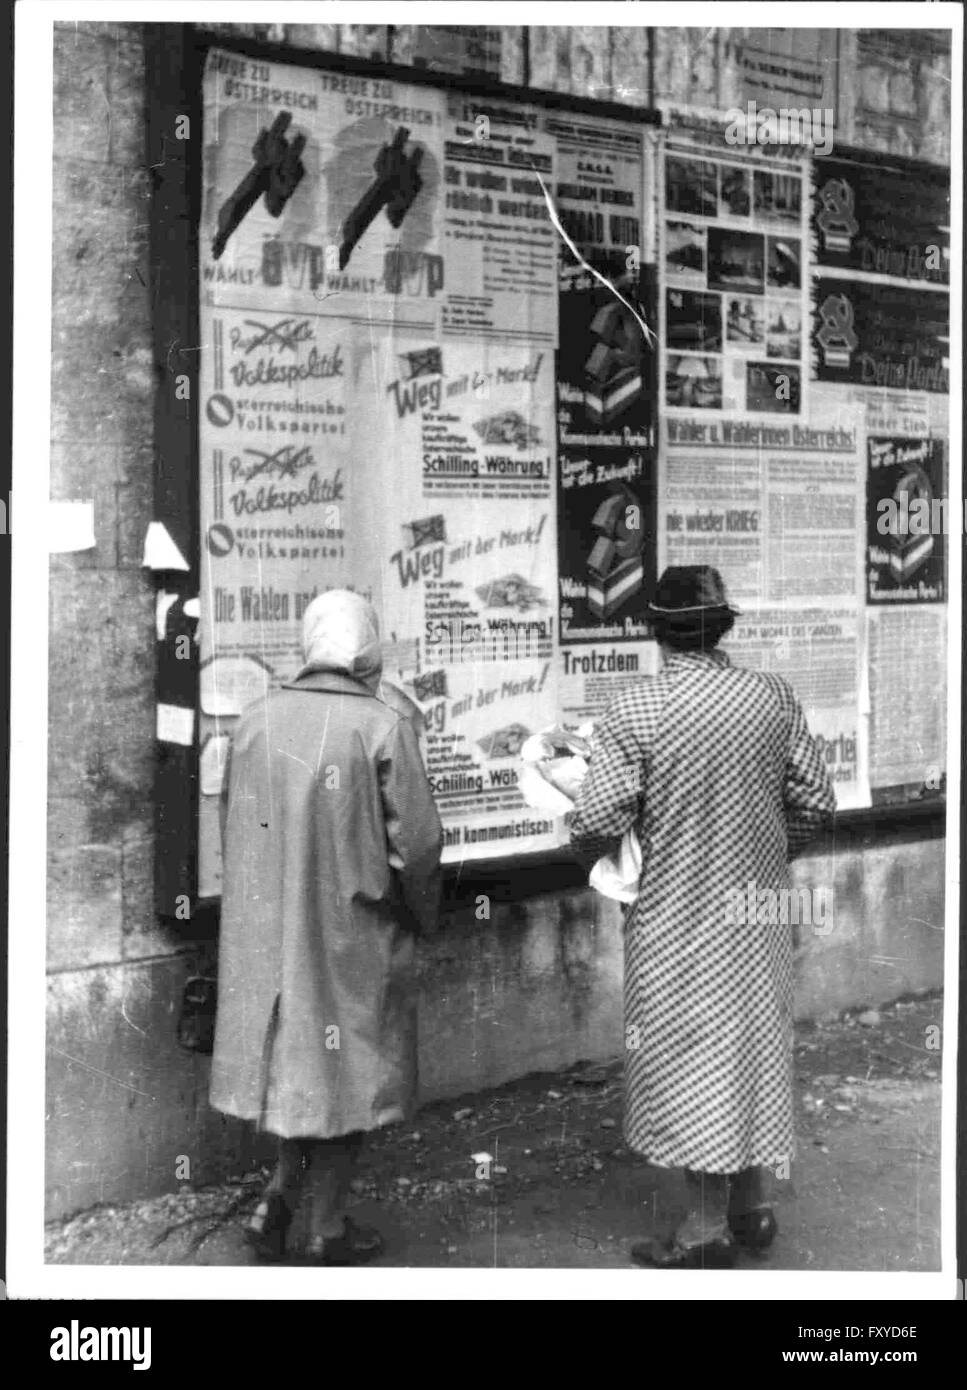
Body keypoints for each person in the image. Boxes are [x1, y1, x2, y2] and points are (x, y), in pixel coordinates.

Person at [568, 565, 835, 1268]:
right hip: (758, 908)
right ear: (722, 627)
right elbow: (814, 803)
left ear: (656, 631)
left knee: (692, 1057)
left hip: (676, 913)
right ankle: (750, 1210)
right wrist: (766, 854)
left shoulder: (636, 709)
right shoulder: (771, 697)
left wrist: (592, 836)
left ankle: (702, 1233)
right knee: (749, 1041)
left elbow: (598, 818)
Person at [210, 589, 443, 1265]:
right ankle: (328, 1230)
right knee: (347, 1077)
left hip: (272, 933)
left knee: (299, 1070)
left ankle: (276, 1203)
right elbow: (419, 846)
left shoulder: (254, 722)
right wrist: (420, 916)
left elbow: (236, 828)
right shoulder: (379, 724)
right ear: (366, 648)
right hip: (351, 931)